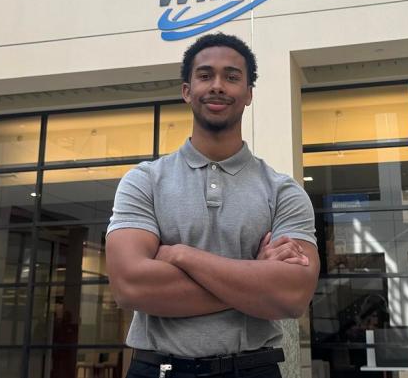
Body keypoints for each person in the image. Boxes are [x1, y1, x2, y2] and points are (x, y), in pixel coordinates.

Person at [106, 33, 320, 378]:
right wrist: (256, 278)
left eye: (232, 77)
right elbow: (129, 286)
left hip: (252, 369)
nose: (218, 85)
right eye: (205, 75)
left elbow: (294, 295)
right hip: (159, 369)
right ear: (187, 90)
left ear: (248, 93)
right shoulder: (144, 181)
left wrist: (181, 255)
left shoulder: (283, 191)